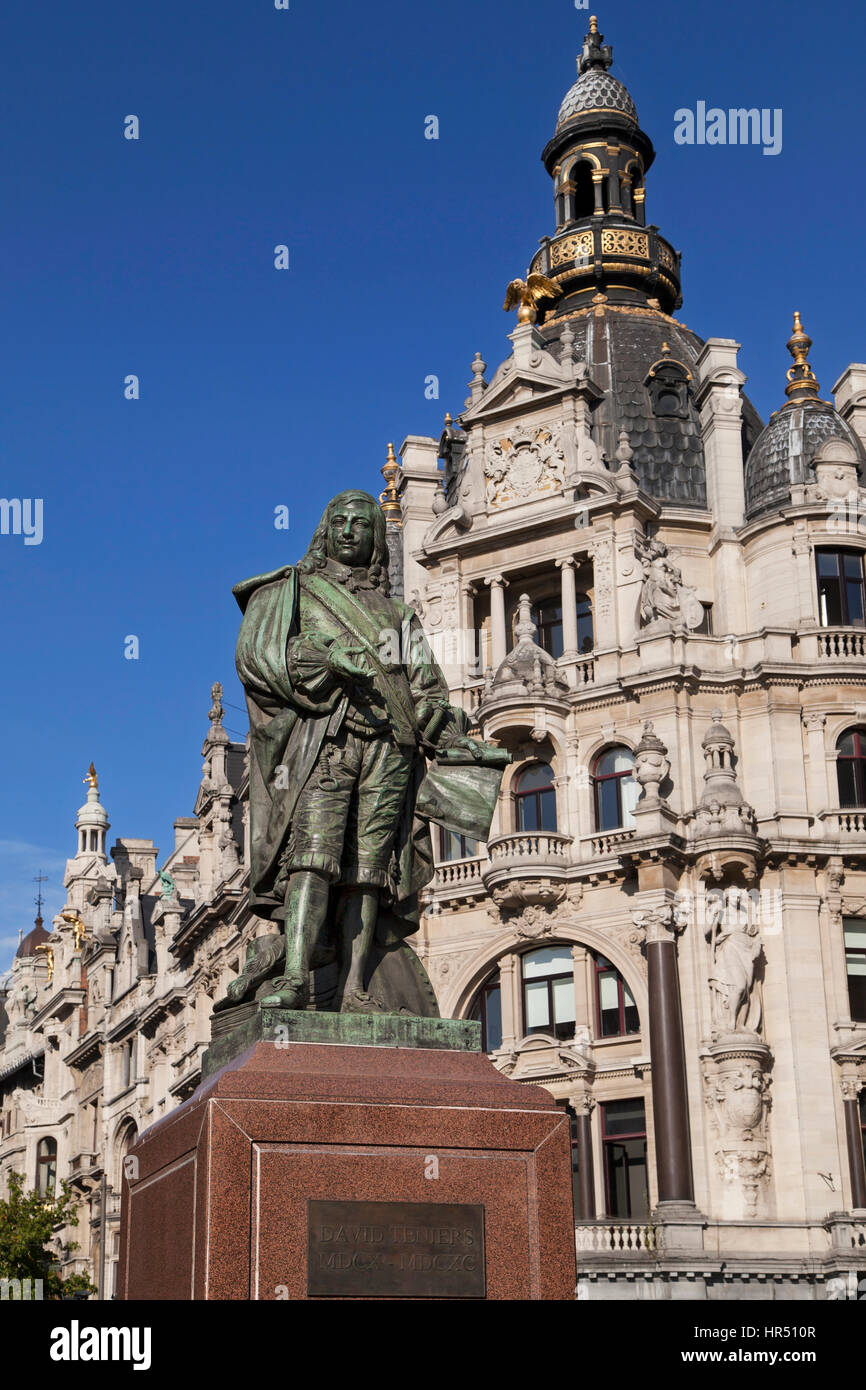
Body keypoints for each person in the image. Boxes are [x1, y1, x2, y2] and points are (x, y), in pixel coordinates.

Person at [216, 489, 504, 1016]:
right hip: (328, 743)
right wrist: (326, 661)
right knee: (313, 858)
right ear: (326, 531)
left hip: (391, 750)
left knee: (370, 871)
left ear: (375, 540)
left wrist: (455, 732)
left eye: (361, 523)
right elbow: (260, 657)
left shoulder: (397, 614)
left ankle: (355, 989)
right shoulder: (295, 592)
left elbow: (427, 688)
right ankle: (298, 977)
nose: (350, 529)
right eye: (340, 521)